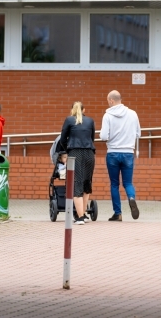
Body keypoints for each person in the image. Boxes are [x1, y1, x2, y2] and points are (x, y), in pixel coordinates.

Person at [99, 90, 141, 222]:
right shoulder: (133, 114)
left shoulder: (107, 116)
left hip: (113, 153)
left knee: (114, 184)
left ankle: (118, 213)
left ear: (111, 100)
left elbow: (104, 136)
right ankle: (131, 197)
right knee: (128, 182)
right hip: (128, 152)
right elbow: (138, 133)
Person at [60, 101, 96, 225]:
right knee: (87, 182)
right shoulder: (90, 121)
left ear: (72, 110)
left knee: (76, 182)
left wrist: (67, 149)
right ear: (84, 110)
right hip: (89, 153)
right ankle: (84, 214)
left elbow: (63, 138)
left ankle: (79, 217)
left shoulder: (69, 120)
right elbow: (92, 138)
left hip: (75, 153)